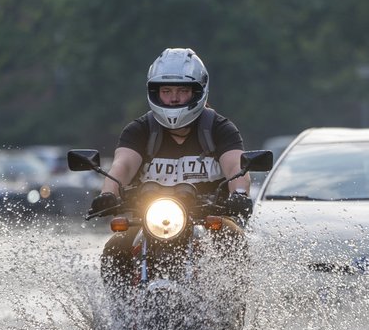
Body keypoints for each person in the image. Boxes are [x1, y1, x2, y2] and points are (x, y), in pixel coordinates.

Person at [89, 47, 253, 287]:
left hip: (206, 217)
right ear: (155, 93)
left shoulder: (219, 129)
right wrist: (107, 194)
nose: (174, 98)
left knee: (233, 238)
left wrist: (239, 193)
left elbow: (236, 166)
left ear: (198, 92)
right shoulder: (140, 130)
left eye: (182, 91)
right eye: (166, 91)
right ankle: (121, 315)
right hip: (149, 219)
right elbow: (122, 165)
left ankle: (230, 312)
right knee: (116, 246)